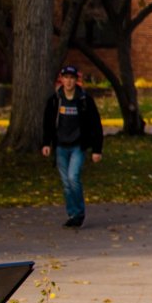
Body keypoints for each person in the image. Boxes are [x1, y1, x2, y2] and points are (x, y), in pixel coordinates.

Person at [39, 66, 104, 228]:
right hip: (61, 146)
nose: (68, 81)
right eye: (66, 78)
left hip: (78, 146)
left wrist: (97, 149)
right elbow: (48, 124)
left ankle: (79, 212)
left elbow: (95, 124)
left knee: (73, 178)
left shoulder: (84, 100)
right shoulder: (55, 99)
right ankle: (72, 214)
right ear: (61, 79)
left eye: (72, 78)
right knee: (66, 183)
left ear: (76, 80)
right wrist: (46, 143)